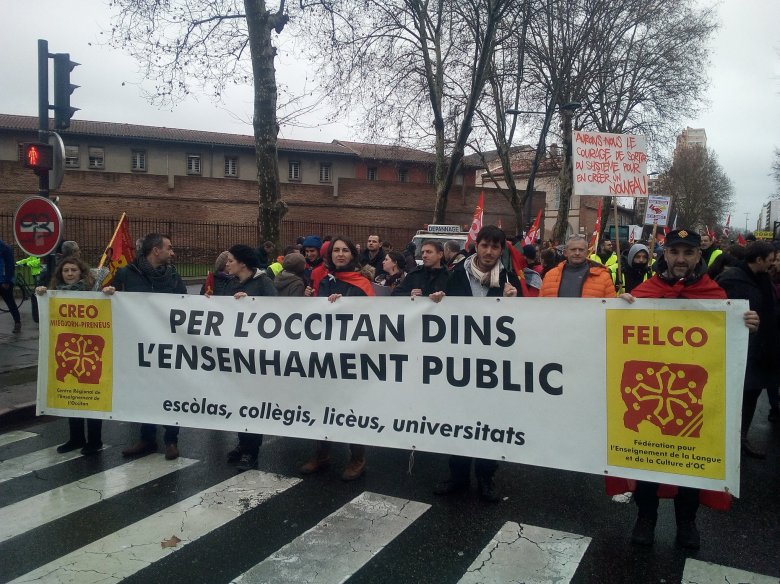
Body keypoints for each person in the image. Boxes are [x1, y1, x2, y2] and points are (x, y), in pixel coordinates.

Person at [618, 229, 759, 549]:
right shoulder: (645, 292)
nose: (680, 259)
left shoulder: (715, 295)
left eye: (688, 253)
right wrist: (621, 308)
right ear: (664, 254)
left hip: (693, 400)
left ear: (699, 256)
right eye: (674, 252)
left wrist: (746, 325)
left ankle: (686, 523)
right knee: (646, 462)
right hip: (651, 396)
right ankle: (646, 518)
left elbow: (727, 350)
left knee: (693, 464)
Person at [431, 225, 522, 502]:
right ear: (477, 246)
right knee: (460, 420)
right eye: (485, 245)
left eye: (495, 247)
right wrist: (436, 301)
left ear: (501, 250)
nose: (489, 252)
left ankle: (486, 477)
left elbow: (522, 323)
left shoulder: (509, 280)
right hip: (460, 364)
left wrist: (513, 303)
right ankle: (458, 476)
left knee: (489, 422)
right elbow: (438, 311)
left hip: (492, 367)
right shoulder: (456, 274)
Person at [103, 233, 187, 460]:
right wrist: (110, 294)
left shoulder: (173, 276)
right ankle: (147, 438)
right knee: (145, 392)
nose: (173, 252)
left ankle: (171, 440)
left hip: (168, 346)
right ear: (155, 250)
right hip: (139, 345)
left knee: (171, 391)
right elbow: (108, 302)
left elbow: (185, 306)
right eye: (169, 248)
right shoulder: (127, 274)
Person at [300, 236, 375, 481]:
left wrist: (346, 307)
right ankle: (322, 453)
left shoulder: (362, 284)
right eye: (336, 251)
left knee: (352, 406)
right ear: (329, 255)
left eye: (345, 251)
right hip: (324, 354)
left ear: (352, 255)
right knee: (322, 403)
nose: (340, 254)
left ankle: (357, 458)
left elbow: (372, 318)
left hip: (351, 356)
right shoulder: (323, 280)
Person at [209, 245, 276, 471]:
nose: (226, 264)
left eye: (230, 260)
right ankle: (242, 442)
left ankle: (252, 451)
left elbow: (276, 313)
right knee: (239, 400)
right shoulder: (230, 283)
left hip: (256, 354)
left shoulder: (263, 283)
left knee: (253, 402)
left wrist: (251, 303)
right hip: (235, 353)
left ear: (243, 264)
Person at [715, 240, 778, 459]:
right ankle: (726, 442)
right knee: (735, 399)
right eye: (770, 261)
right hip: (739, 353)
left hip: (760, 351)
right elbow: (718, 314)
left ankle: (741, 439)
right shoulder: (732, 279)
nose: (772, 265)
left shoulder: (761, 278)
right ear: (758, 260)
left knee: (751, 397)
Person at [36, 257, 103, 455]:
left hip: (90, 352)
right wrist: (41, 294)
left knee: (92, 399)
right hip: (68, 352)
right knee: (71, 398)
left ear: (81, 272)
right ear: (60, 274)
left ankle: (95, 440)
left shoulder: (93, 293)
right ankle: (76, 438)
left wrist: (109, 293)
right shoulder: (55, 295)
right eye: (66, 270)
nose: (70, 273)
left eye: (74, 270)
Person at [540, 234, 616, 298]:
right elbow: (541, 306)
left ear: (587, 252)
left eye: (581, 250)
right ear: (565, 253)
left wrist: (622, 301)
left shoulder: (603, 277)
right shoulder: (550, 276)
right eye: (573, 249)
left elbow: (612, 308)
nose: (577, 253)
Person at [0, 238, 21, 333]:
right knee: (10, 301)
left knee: (10, 302)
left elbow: (9, 265)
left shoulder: (5, 248)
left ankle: (17, 323)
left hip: (4, 281)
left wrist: (7, 281)